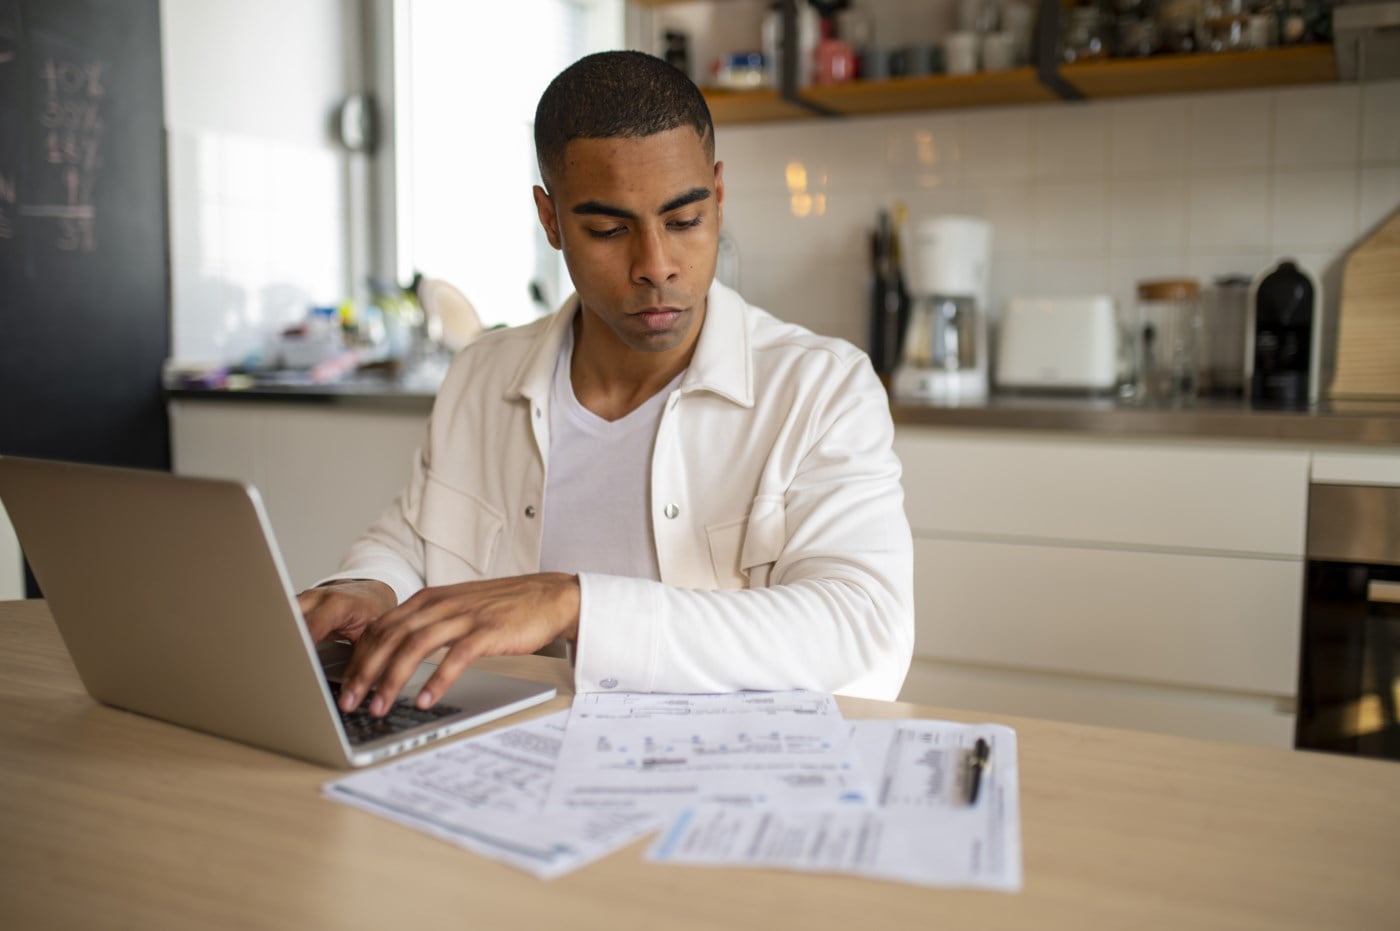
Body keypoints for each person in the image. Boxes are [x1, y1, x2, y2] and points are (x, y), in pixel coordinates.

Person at [298, 50, 913, 718]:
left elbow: (862, 627)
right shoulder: (482, 374)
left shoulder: (822, 388)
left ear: (719, 195)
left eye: (684, 221)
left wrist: (573, 603)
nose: (656, 266)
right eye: (607, 229)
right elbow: (413, 540)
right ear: (550, 219)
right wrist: (370, 586)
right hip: (500, 764)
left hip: (721, 782)